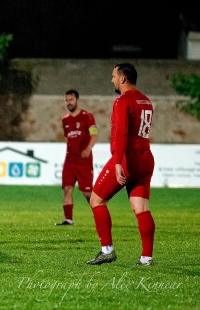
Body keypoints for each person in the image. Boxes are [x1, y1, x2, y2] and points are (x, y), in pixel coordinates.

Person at [86, 63, 155, 266]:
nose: (112, 80)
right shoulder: (146, 100)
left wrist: (117, 162)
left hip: (127, 159)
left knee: (96, 200)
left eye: (114, 76)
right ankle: (146, 258)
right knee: (141, 208)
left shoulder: (123, 100)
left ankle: (107, 250)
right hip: (145, 158)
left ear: (123, 79)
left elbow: (122, 133)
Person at [57, 89, 98, 226]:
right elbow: (66, 137)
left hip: (84, 161)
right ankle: (69, 219)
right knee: (67, 189)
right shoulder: (65, 120)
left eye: (71, 100)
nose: (68, 103)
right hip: (70, 160)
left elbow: (94, 135)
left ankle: (99, 215)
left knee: (87, 192)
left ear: (77, 100)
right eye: (66, 100)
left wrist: (87, 149)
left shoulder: (87, 116)